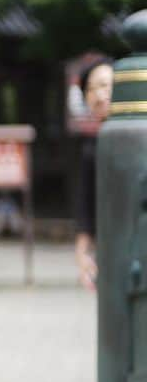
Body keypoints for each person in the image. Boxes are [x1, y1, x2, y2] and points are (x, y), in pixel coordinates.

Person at [74, 57, 114, 290]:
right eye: (90, 89)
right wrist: (82, 252)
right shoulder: (92, 148)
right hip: (111, 248)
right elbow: (86, 203)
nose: (99, 95)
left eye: (105, 85)